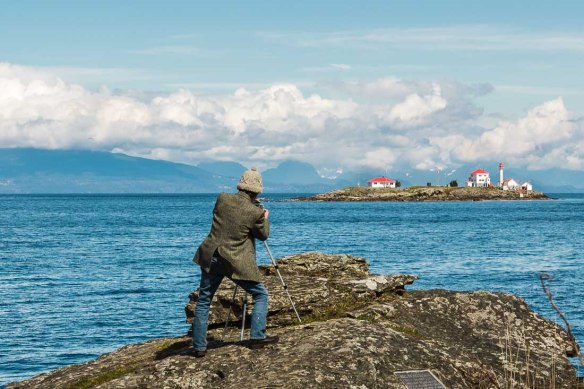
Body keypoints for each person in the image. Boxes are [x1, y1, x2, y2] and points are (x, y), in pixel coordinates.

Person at [191, 167, 279, 357]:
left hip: (211, 255)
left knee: (204, 300)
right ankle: (257, 337)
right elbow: (263, 236)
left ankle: (199, 347)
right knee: (261, 295)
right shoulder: (254, 212)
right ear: (257, 190)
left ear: (241, 185)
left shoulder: (222, 198)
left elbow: (230, 217)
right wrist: (263, 217)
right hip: (234, 261)